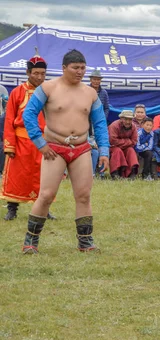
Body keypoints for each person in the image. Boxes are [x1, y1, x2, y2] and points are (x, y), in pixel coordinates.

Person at [22, 49, 109, 253]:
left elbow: (100, 123)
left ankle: (85, 242)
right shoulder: (47, 88)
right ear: (64, 68)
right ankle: (30, 241)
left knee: (83, 195)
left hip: (81, 147)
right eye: (75, 68)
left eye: (83, 68)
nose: (80, 72)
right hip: (54, 148)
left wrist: (104, 150)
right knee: (46, 195)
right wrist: (40, 143)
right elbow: (29, 114)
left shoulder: (90, 93)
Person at [1, 50, 54, 221]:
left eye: (43, 73)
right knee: (17, 176)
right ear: (28, 73)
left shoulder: (50, 92)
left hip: (44, 141)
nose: (39, 77)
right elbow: (9, 119)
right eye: (36, 73)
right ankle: (12, 209)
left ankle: (45, 209)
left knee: (44, 176)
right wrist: (9, 145)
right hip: (22, 140)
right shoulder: (17, 92)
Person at [108, 110, 139, 179]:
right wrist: (127, 141)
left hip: (126, 147)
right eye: (126, 119)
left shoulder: (133, 127)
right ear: (121, 118)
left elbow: (134, 141)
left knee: (131, 150)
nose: (128, 122)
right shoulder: (114, 126)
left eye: (130, 119)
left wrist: (122, 142)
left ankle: (132, 172)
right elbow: (113, 141)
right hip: (112, 147)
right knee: (117, 151)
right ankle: (115, 172)